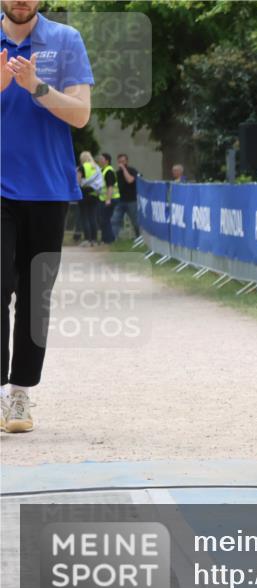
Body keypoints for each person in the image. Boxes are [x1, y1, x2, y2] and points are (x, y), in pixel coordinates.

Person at [1, 0, 93, 433]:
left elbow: (80, 114)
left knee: (35, 298)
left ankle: (20, 396)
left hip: (48, 188)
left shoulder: (66, 40)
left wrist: (36, 86)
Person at [112, 153, 140, 240]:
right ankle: (114, 238)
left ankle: (139, 237)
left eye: (123, 161)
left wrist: (124, 169)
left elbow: (130, 180)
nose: (121, 163)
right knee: (115, 220)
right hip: (120, 200)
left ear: (127, 161)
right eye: (119, 161)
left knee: (135, 221)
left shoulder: (132, 170)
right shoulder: (116, 173)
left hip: (132, 200)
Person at [77, 150, 101, 246]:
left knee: (84, 217)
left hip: (84, 194)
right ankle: (94, 240)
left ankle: (87, 239)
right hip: (94, 194)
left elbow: (78, 182)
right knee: (92, 217)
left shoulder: (82, 167)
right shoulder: (96, 168)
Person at [97, 151, 118, 243]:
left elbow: (110, 186)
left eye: (101, 159)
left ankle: (109, 239)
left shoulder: (109, 171)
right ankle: (105, 239)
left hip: (110, 199)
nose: (99, 160)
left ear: (107, 160)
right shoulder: (103, 170)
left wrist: (108, 199)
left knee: (105, 219)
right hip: (104, 199)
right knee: (103, 220)